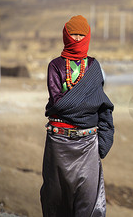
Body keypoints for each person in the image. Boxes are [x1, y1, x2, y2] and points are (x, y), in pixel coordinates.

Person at [40, 15, 114, 217]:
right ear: (66, 35)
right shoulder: (55, 66)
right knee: (56, 196)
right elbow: (57, 102)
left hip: (88, 143)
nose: (78, 38)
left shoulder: (93, 67)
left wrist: (103, 139)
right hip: (58, 141)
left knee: (88, 199)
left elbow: (100, 103)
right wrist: (85, 106)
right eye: (74, 34)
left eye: (82, 34)